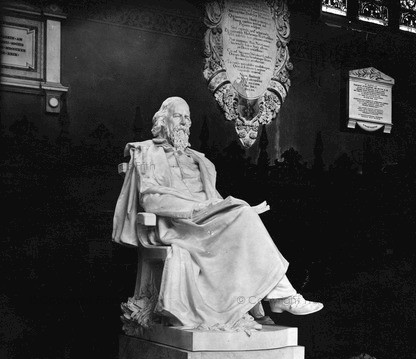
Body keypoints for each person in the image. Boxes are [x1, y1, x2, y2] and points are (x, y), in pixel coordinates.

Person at [113, 97, 323, 331]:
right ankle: (282, 295)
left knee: (244, 214)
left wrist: (224, 208)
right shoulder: (147, 152)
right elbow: (151, 199)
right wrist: (198, 208)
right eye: (177, 116)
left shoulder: (200, 161)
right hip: (177, 224)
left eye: (187, 117)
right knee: (243, 216)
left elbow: (213, 198)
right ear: (163, 121)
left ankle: (280, 295)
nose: (184, 122)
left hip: (208, 221)